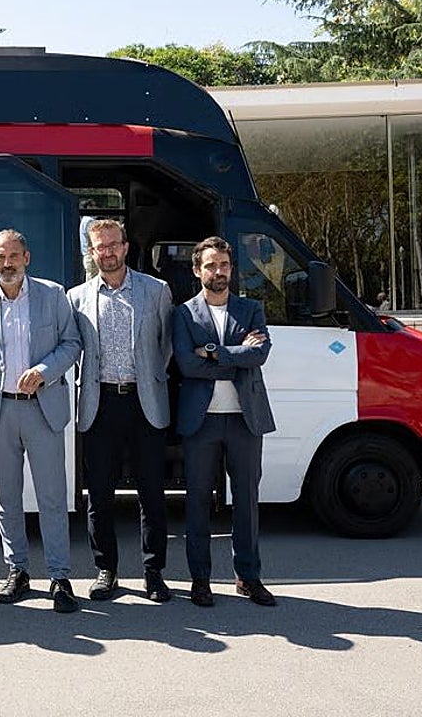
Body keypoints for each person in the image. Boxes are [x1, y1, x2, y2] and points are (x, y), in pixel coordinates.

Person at [0, 229, 82, 613]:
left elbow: (72, 343)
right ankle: (17, 570)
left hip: (43, 408)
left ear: (27, 258)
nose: (8, 263)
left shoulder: (53, 294)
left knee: (51, 497)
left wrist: (45, 370)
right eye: (1, 257)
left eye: (14, 256)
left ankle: (59, 577)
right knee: (6, 498)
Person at [67, 219, 173, 603]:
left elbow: (166, 346)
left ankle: (153, 572)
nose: (107, 252)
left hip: (145, 403)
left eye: (114, 244)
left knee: (152, 493)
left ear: (126, 247)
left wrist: (147, 379)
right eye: (100, 247)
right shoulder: (76, 298)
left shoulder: (156, 291)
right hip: (100, 403)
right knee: (99, 494)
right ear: (92, 253)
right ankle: (106, 569)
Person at [172, 236, 277, 608]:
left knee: (246, 500)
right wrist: (236, 354)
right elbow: (186, 364)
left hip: (244, 419)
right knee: (197, 501)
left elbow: (259, 354)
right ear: (197, 270)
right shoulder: (183, 314)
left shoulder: (251, 309)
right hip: (201, 423)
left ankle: (248, 577)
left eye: (225, 266)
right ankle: (200, 580)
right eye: (212, 266)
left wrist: (214, 351)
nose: (219, 272)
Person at [78, 200, 98, 281]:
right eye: (93, 206)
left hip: (86, 254)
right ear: (88, 207)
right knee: (92, 278)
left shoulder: (83, 220)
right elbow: (95, 236)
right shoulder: (89, 220)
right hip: (91, 255)